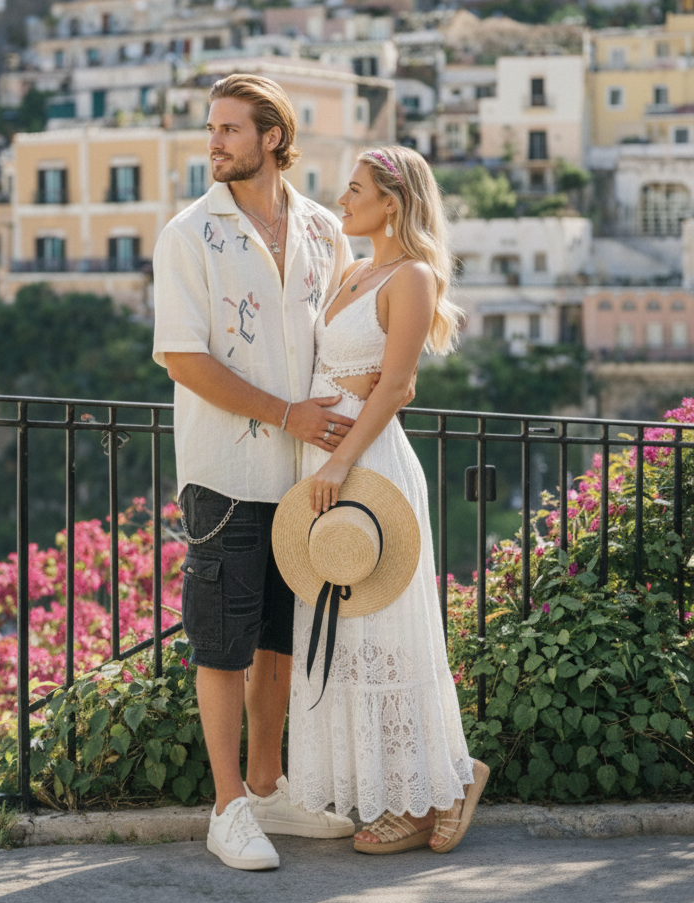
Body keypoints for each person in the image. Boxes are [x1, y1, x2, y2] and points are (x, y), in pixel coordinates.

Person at [152, 73, 357, 872]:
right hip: (226, 471)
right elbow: (183, 358)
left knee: (277, 638)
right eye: (212, 128)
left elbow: (347, 337)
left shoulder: (324, 230)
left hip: (306, 474)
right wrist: (286, 413)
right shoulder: (188, 235)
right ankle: (227, 806)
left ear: (273, 137)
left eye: (230, 129)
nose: (214, 142)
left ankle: (269, 788)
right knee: (222, 642)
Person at [287, 145, 489, 855]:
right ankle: (419, 782)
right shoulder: (351, 270)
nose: (342, 200)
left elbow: (397, 384)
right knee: (346, 634)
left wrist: (340, 460)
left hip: (367, 466)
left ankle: (431, 791)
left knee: (389, 633)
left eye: (355, 189)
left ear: (392, 203)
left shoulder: (414, 277)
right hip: (325, 464)